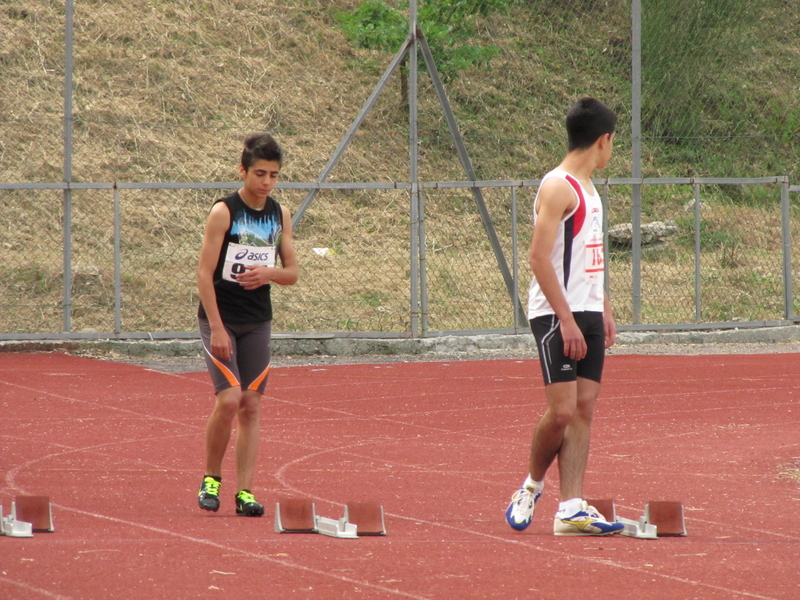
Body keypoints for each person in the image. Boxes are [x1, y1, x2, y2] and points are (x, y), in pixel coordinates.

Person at [505, 98, 624, 536]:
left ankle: (571, 507)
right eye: (614, 141)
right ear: (602, 140)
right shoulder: (558, 187)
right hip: (557, 316)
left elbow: (590, 256)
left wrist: (604, 307)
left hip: (589, 312)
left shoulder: (590, 187)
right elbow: (538, 258)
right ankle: (532, 486)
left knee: (584, 409)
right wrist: (568, 320)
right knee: (561, 412)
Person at [196, 132, 298, 517]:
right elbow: (204, 276)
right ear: (243, 171)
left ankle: (245, 492)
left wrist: (269, 272)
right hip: (221, 319)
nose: (267, 182)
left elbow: (292, 273)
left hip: (258, 322)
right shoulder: (224, 211)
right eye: (260, 173)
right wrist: (218, 328)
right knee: (229, 399)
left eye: (274, 175)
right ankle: (210, 478)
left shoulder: (279, 214)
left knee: (252, 406)